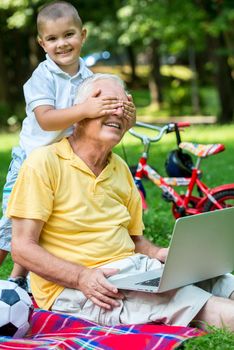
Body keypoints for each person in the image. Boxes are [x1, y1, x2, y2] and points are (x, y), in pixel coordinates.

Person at [7, 74, 234, 330]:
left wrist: (159, 254)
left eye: (124, 106)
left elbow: (135, 240)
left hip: (135, 271)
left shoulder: (120, 168)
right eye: (108, 103)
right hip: (84, 288)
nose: (118, 111)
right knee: (190, 301)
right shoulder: (43, 163)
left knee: (223, 281)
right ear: (80, 112)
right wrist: (81, 276)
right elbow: (22, 248)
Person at [0, 1, 136, 290]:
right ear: (42, 43)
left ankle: (18, 281)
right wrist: (87, 107)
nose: (62, 44)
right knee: (11, 225)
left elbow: (103, 119)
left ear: (83, 35)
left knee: (45, 221)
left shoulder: (90, 78)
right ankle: (8, 279)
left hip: (65, 163)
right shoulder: (42, 77)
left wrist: (126, 115)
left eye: (69, 35)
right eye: (52, 38)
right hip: (30, 160)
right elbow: (47, 120)